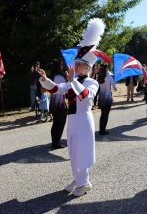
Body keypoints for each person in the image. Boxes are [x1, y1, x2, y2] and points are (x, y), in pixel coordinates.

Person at [39, 18, 105, 197]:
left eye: (79, 65)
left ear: (88, 67)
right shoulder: (72, 81)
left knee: (82, 152)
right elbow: (56, 89)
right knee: (73, 151)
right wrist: (45, 79)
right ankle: (77, 178)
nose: (75, 67)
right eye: (75, 65)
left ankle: (85, 183)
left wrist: (72, 81)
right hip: (73, 119)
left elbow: (85, 95)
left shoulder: (92, 82)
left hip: (84, 119)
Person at [49, 61, 67, 149]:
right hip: (59, 103)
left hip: (53, 102)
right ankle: (56, 143)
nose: (62, 66)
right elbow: (65, 90)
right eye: (61, 65)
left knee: (55, 123)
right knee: (60, 123)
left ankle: (54, 142)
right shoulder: (60, 77)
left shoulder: (53, 76)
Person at [98, 64, 117, 134]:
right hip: (108, 98)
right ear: (106, 69)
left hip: (101, 97)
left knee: (102, 114)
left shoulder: (99, 77)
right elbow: (115, 89)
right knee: (106, 114)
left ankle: (101, 129)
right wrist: (115, 84)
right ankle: (103, 130)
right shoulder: (109, 77)